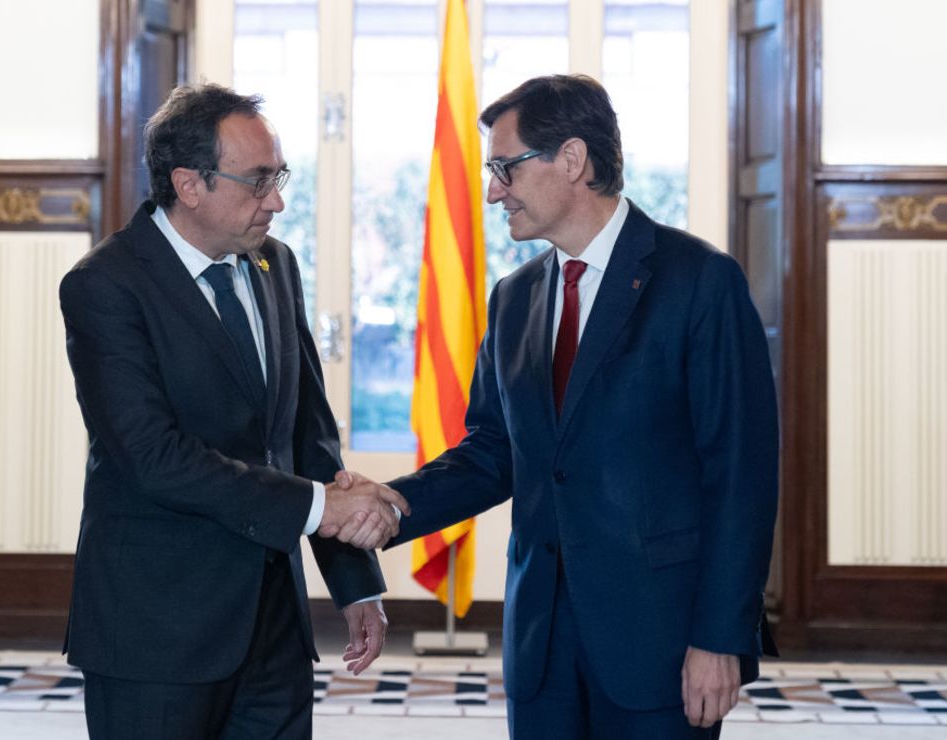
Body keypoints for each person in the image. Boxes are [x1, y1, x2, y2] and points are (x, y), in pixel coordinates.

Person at [378, 74, 779, 738]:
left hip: (662, 644)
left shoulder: (700, 282)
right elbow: (491, 454)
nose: (491, 191)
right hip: (541, 651)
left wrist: (722, 637)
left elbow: (741, 476)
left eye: (505, 168)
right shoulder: (512, 299)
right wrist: (389, 504)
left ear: (571, 159)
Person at [58, 83, 408, 740]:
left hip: (274, 630)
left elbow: (309, 435)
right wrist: (316, 507)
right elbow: (154, 458)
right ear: (190, 184)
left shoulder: (275, 264)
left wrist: (356, 583)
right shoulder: (105, 285)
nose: (276, 200)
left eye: (279, 177)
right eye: (258, 182)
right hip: (156, 633)